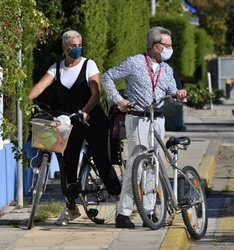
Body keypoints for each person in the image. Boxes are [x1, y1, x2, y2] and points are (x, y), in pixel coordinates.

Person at [28, 30, 121, 225]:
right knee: (68, 164)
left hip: (92, 118)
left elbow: (95, 93)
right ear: (64, 48)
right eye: (72, 46)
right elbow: (40, 86)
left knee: (102, 160)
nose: (77, 48)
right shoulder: (57, 69)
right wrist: (27, 101)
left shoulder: (89, 65)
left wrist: (86, 110)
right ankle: (71, 207)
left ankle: (121, 201)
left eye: (79, 45)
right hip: (70, 121)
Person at [101, 26, 187, 228]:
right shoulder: (135, 62)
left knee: (154, 166)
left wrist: (179, 96)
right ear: (156, 46)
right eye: (168, 45)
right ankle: (123, 214)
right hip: (138, 118)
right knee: (135, 166)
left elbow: (172, 95)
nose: (170, 49)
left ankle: (149, 211)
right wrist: (118, 100)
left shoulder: (167, 70)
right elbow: (107, 77)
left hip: (158, 120)